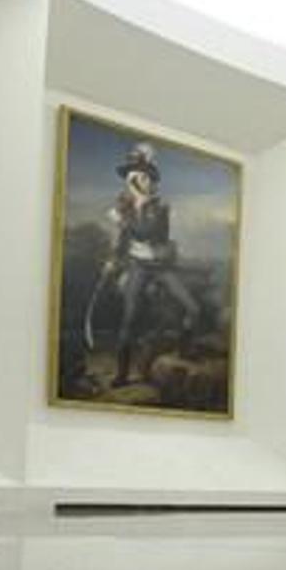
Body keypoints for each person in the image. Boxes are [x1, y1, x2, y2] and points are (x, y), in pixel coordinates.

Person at [101, 144, 201, 388]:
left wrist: (123, 220)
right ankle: (122, 374)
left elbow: (149, 232)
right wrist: (113, 260)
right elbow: (123, 241)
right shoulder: (124, 206)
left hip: (160, 265)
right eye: (134, 176)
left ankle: (185, 351)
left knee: (192, 309)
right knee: (129, 319)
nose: (138, 179)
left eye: (144, 175)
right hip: (138, 266)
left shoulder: (159, 207)